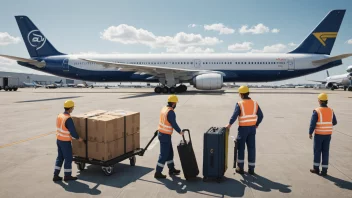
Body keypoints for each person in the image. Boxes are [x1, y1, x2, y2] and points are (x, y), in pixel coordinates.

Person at [226, 85, 263, 175]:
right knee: (251, 148)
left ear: (241, 94)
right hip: (252, 129)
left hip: (243, 130)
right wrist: (256, 124)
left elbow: (235, 115)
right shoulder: (255, 103)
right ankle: (251, 169)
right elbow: (261, 115)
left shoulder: (240, 104)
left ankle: (240, 168)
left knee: (241, 148)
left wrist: (229, 124)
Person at [155, 95, 185, 179]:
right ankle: (158, 172)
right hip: (164, 135)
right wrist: (180, 131)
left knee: (170, 153)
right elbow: (173, 123)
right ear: (173, 103)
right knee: (164, 154)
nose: (176, 105)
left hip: (163, 134)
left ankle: (171, 169)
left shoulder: (164, 108)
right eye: (175, 103)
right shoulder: (170, 112)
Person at [53, 100, 84, 182]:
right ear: (70, 108)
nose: (73, 109)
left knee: (60, 158)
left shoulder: (60, 115)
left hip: (59, 140)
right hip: (65, 142)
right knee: (68, 158)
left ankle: (55, 175)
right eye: (72, 108)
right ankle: (67, 176)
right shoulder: (68, 119)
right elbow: (73, 132)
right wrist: (78, 138)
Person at [309, 93, 337, 176]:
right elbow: (334, 122)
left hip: (319, 134)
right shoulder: (331, 110)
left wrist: (310, 133)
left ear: (320, 101)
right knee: (325, 152)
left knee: (317, 151)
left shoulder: (317, 111)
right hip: (328, 135)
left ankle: (316, 169)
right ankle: (324, 170)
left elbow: (312, 124)